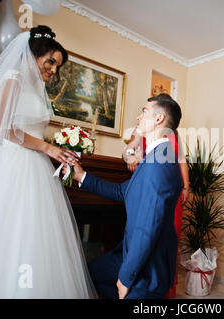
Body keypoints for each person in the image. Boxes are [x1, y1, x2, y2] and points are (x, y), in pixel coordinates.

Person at [0, 26, 97, 298]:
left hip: (38, 169)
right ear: (34, 54)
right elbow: (2, 127)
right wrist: (48, 148)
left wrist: (59, 148)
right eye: (51, 61)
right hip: (11, 167)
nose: (54, 70)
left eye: (58, 66)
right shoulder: (13, 78)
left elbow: (33, 130)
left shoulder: (37, 88)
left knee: (36, 240)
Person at [66, 95, 183, 299]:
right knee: (90, 272)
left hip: (148, 269)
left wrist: (125, 278)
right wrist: (81, 176)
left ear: (158, 119)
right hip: (128, 254)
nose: (138, 116)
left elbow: (147, 229)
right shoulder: (154, 157)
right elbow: (122, 191)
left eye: (144, 111)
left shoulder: (160, 165)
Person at [122, 93, 189, 298]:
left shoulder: (172, 135)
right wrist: (133, 156)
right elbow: (126, 151)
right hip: (148, 184)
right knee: (150, 231)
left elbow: (181, 160)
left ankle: (164, 287)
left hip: (169, 187)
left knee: (165, 233)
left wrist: (186, 187)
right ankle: (144, 284)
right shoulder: (143, 132)